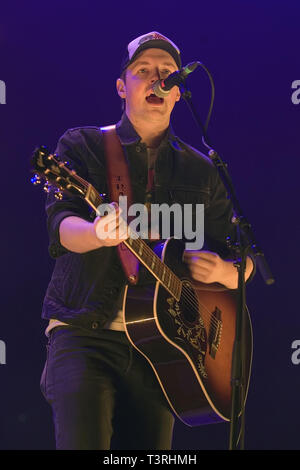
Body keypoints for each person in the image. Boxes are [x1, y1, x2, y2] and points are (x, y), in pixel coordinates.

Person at [40, 31, 254, 450]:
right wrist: (96, 233)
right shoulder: (83, 145)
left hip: (165, 346)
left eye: (167, 74)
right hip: (86, 330)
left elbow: (244, 254)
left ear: (178, 94)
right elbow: (61, 227)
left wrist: (229, 273)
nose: (157, 79)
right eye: (143, 71)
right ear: (122, 87)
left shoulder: (203, 170)